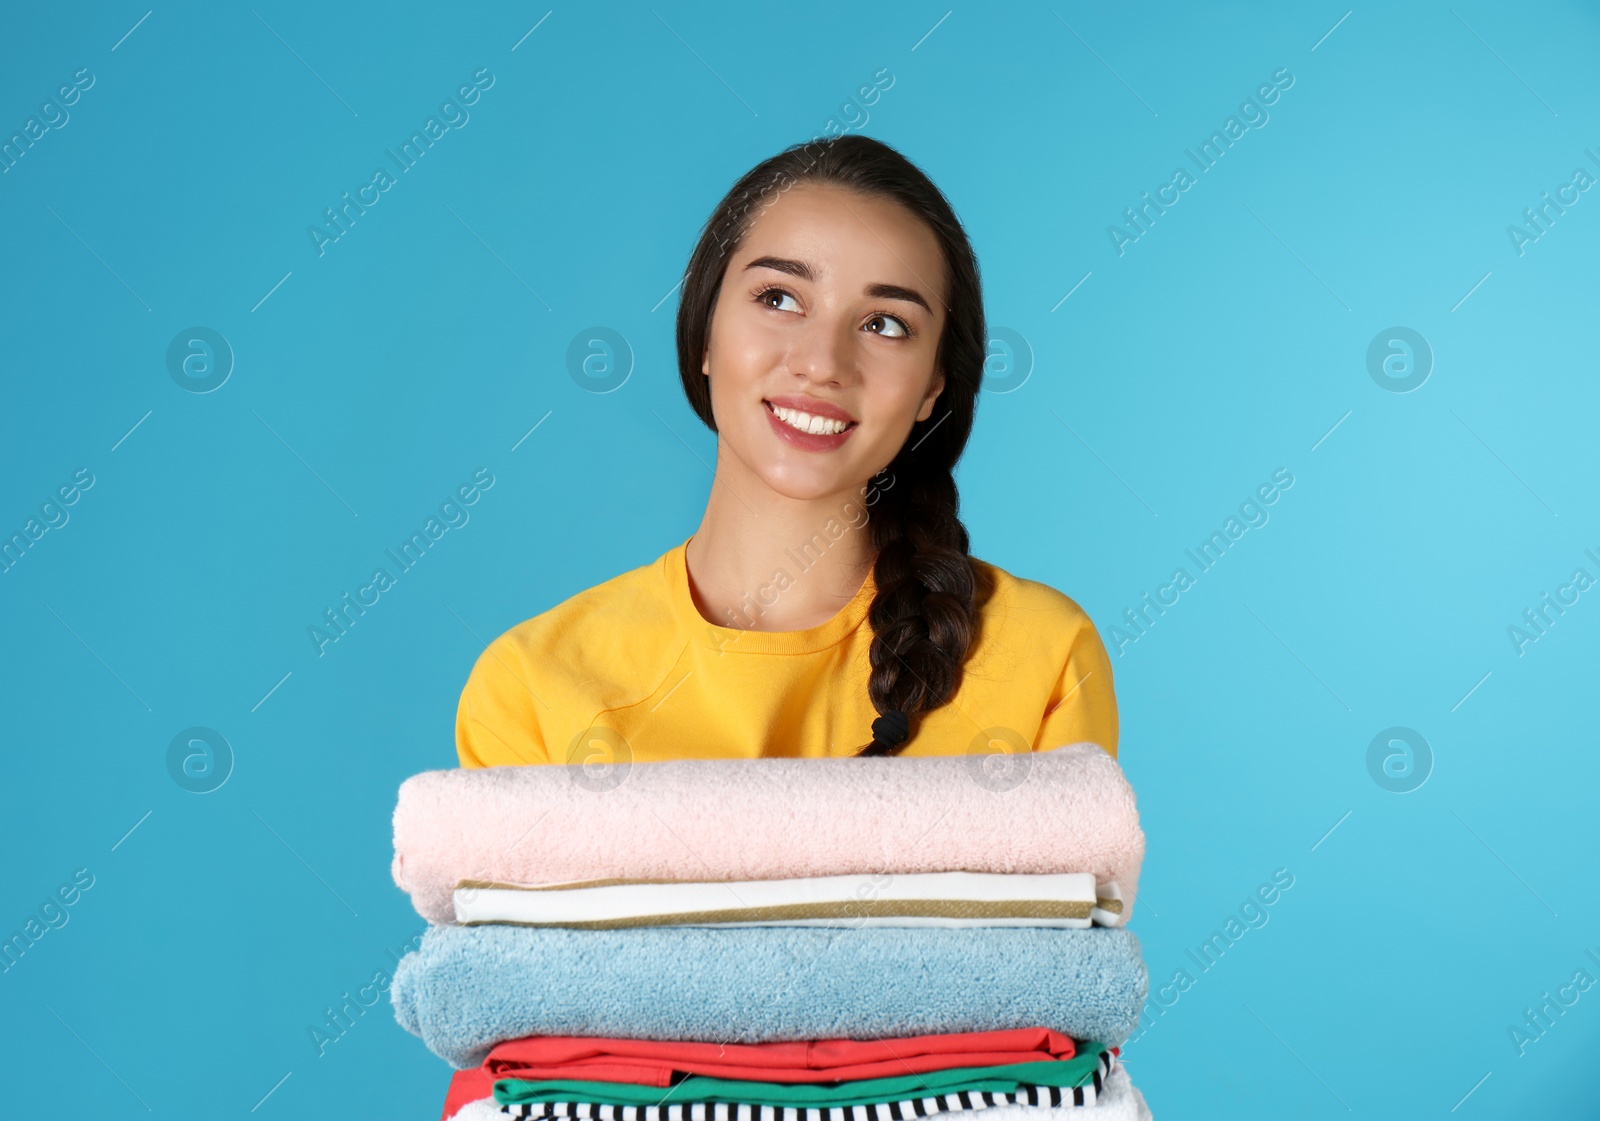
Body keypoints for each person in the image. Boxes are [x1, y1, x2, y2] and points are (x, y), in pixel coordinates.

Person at [455, 134, 1118, 769]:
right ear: (706, 330)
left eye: (885, 324)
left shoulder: (1046, 656)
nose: (823, 364)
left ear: (932, 387)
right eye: (779, 298)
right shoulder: (531, 686)